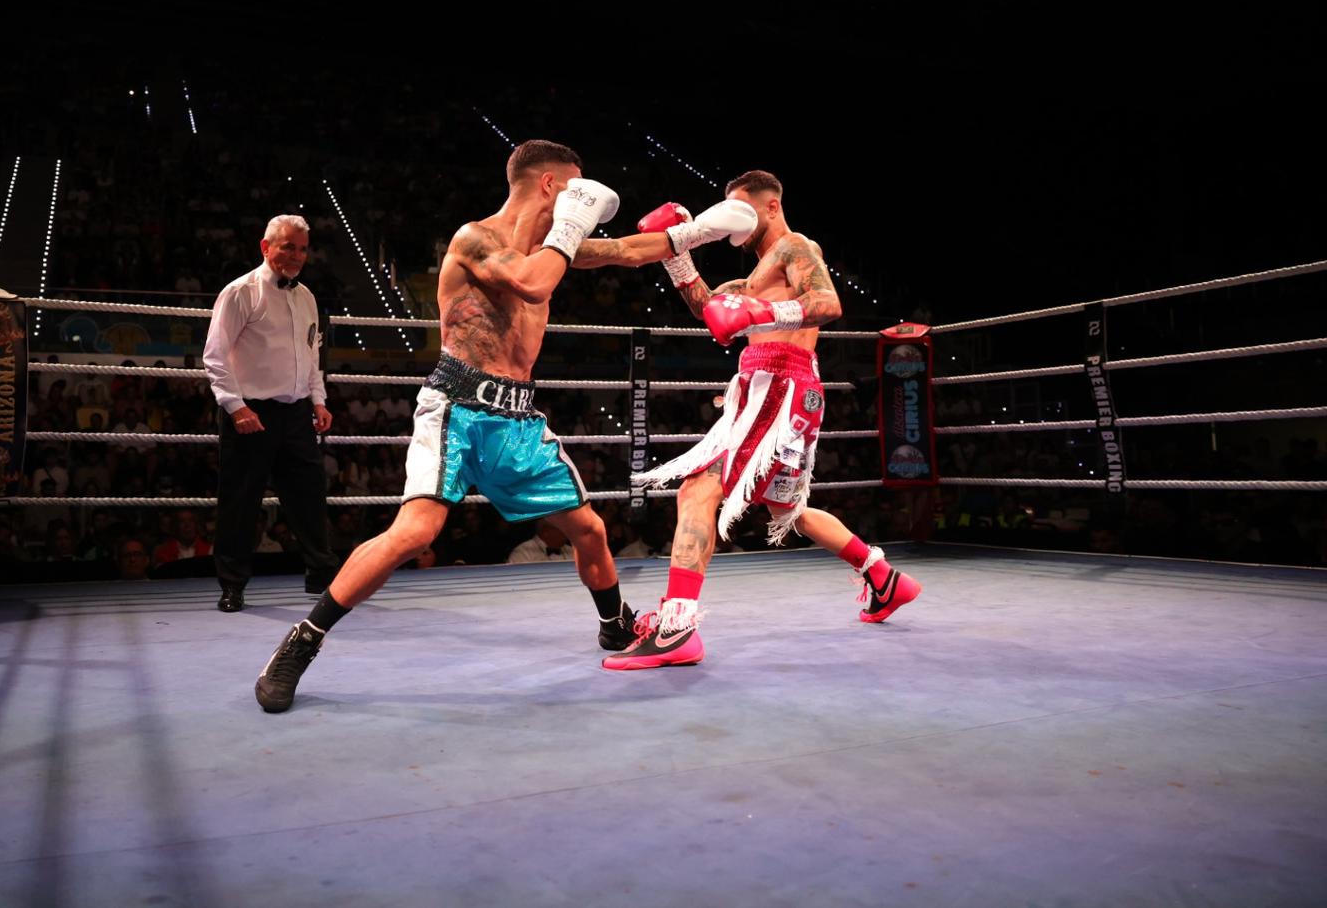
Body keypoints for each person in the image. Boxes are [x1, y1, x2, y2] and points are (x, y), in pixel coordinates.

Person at [254, 139, 755, 712]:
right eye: (573, 190)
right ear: (550, 187)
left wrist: (695, 234)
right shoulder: (477, 240)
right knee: (415, 532)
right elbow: (532, 283)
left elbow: (624, 250)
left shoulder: (555, 246)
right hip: (457, 407)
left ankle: (615, 624)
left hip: (516, 417)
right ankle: (301, 643)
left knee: (588, 529)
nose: (579, 209)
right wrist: (568, 228)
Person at [604, 170, 922, 671]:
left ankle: (677, 627)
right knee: (785, 508)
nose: (737, 223)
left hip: (781, 384)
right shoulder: (753, 276)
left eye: (744, 210)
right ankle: (882, 576)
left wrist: (757, 313)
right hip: (764, 389)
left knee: (697, 489)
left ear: (770, 207)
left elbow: (827, 304)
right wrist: (677, 254)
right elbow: (711, 311)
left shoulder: (794, 246)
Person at [203, 213, 339, 612]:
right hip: (251, 412)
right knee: (240, 502)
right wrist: (235, 406)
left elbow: (311, 355)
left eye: (301, 248)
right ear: (266, 247)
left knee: (309, 495)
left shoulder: (307, 296)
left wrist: (318, 400)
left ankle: (320, 573)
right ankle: (232, 585)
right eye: (287, 247)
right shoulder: (240, 292)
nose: (295, 256)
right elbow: (214, 356)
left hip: (296, 412)